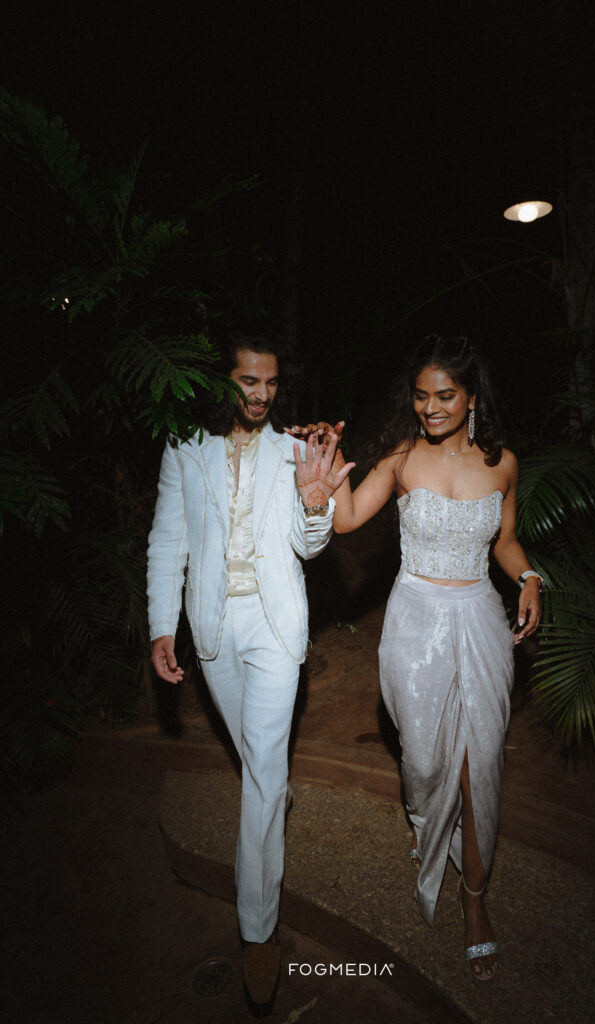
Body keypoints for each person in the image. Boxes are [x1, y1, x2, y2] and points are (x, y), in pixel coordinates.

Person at [146, 329, 350, 1006]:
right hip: (211, 625)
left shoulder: (293, 449)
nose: (262, 395)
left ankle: (256, 932)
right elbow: (167, 538)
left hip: (273, 624)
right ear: (224, 379)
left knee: (261, 770)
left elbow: (307, 546)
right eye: (248, 382)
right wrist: (161, 626)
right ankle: (273, 796)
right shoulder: (185, 444)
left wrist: (315, 502)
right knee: (258, 759)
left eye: (271, 382)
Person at [331, 333, 543, 981]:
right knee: (423, 759)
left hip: (479, 619)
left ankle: (474, 899)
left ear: (471, 397)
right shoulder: (401, 458)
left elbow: (504, 540)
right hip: (414, 621)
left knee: (479, 765)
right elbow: (346, 519)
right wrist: (324, 474)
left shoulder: (502, 464)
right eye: (421, 396)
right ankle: (424, 817)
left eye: (445, 395)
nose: (430, 407)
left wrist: (529, 577)